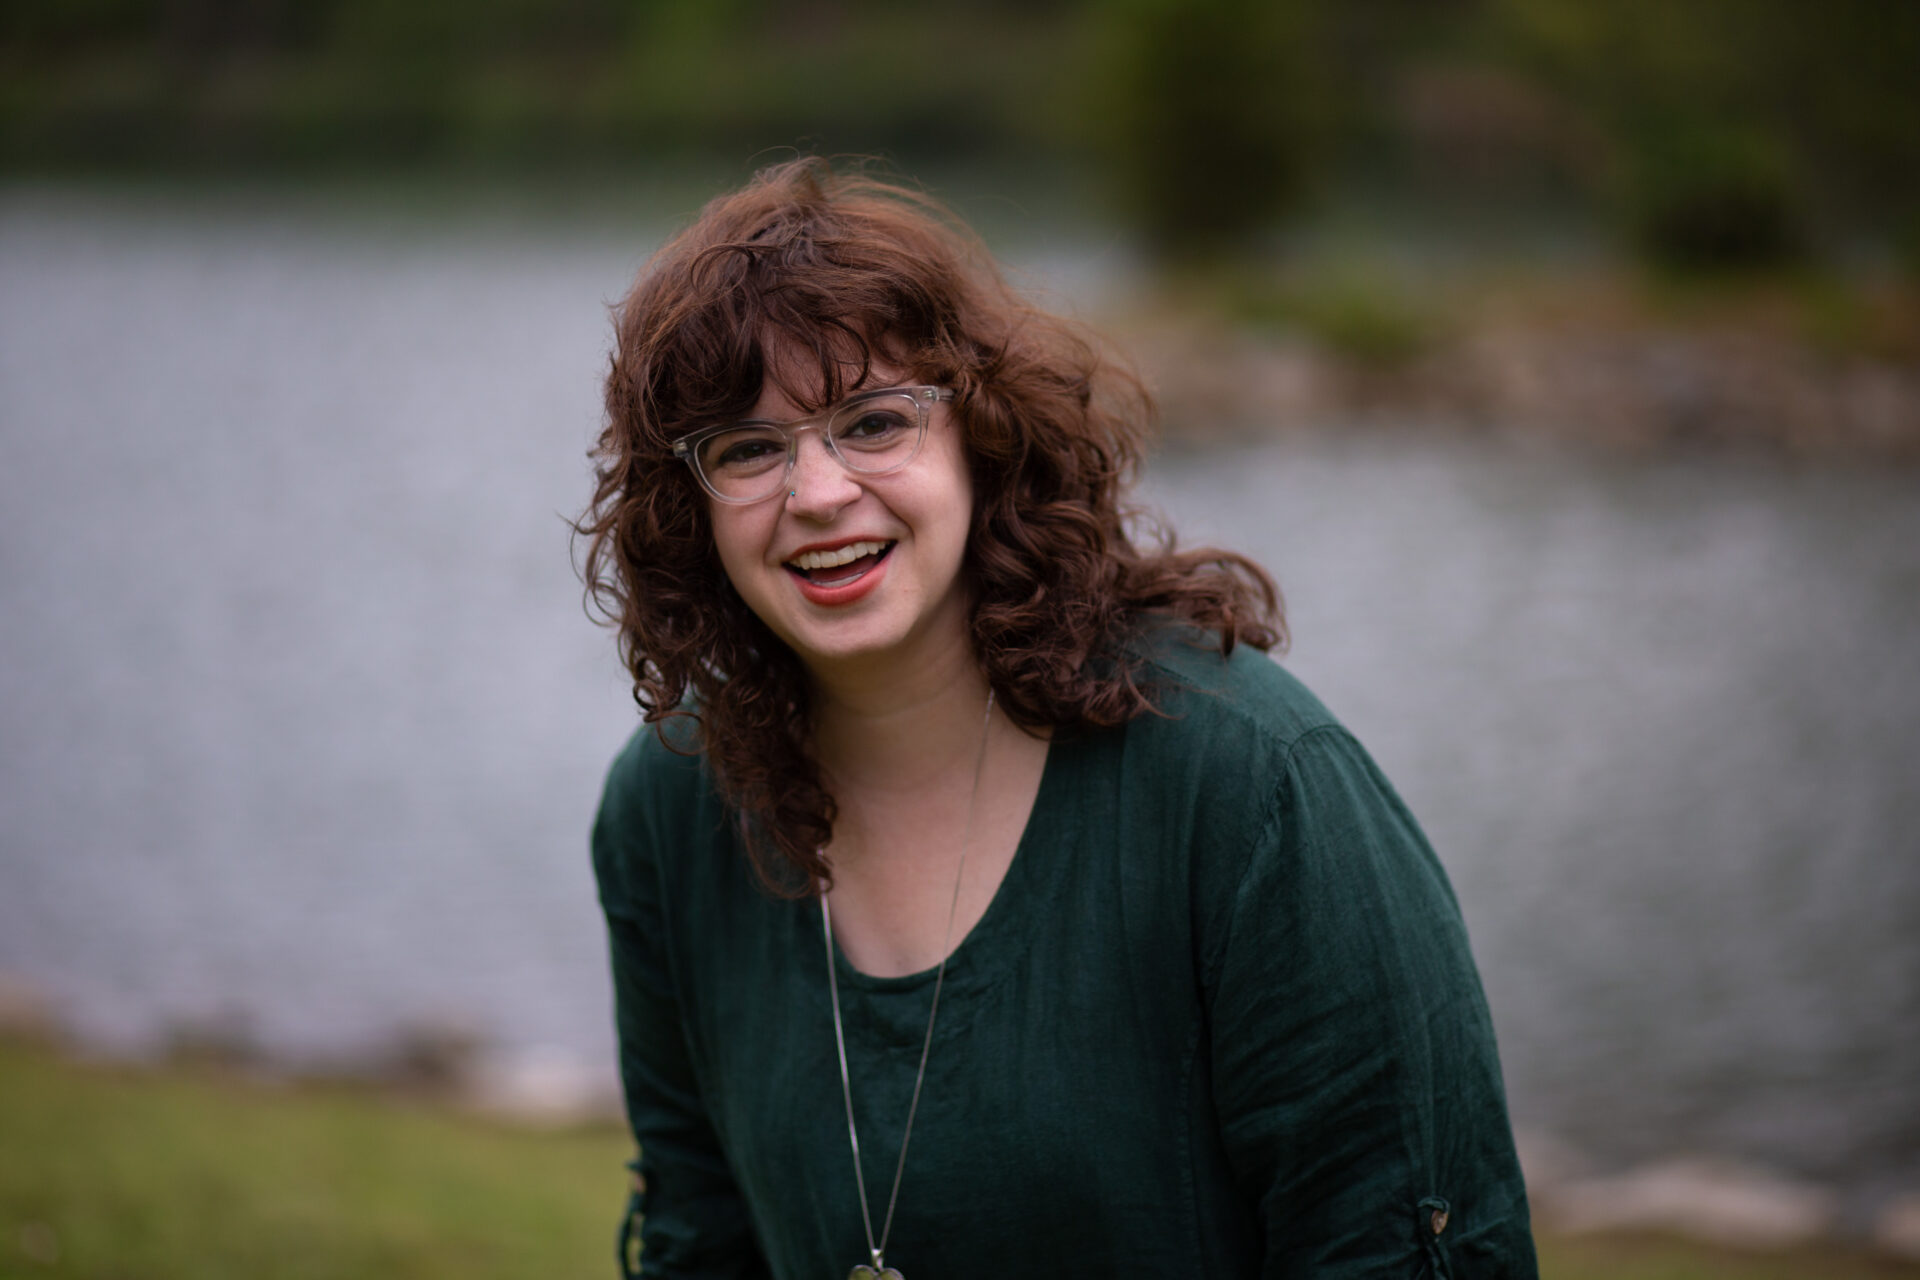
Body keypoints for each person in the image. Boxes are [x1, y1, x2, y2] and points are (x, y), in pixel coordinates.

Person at [577, 157, 1537, 1279]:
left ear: (983, 435)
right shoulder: (671, 808)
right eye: (748, 449)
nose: (819, 493)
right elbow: (697, 1246)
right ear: (686, 507)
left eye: (874, 422)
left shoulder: (1255, 788)